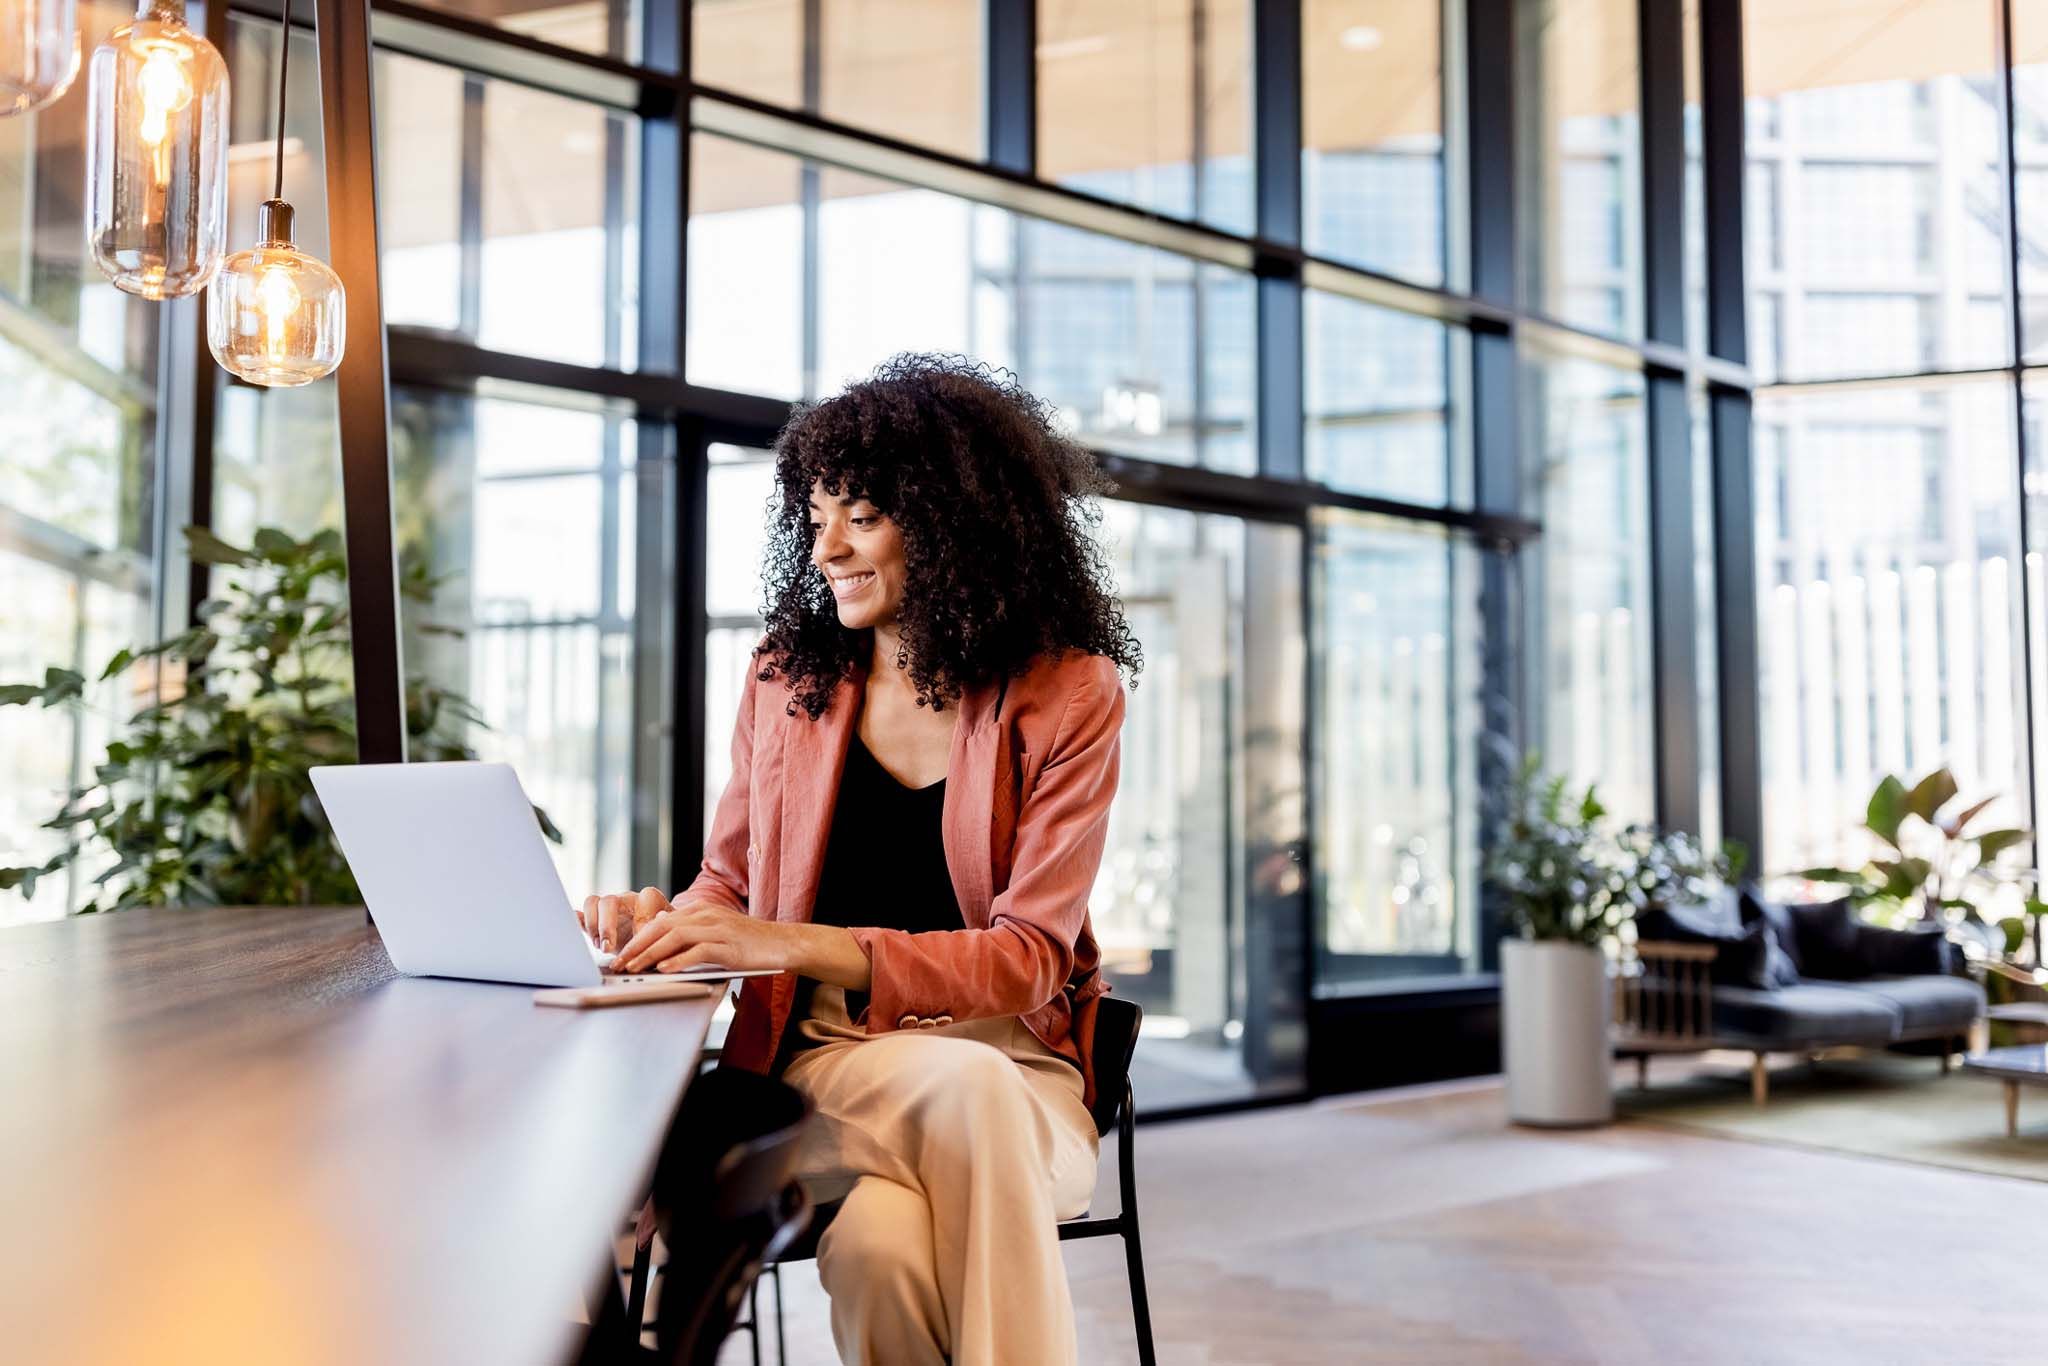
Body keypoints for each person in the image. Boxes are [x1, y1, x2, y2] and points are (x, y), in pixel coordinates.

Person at [579, 354, 1142, 1366]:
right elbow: (731, 884)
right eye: (816, 511)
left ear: (951, 523)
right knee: (944, 1112)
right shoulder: (785, 681)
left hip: (1015, 1082)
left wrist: (788, 937)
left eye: (862, 514)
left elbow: (1027, 959)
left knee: (883, 1243)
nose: (824, 542)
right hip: (827, 1067)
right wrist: (664, 920)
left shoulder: (1068, 692)